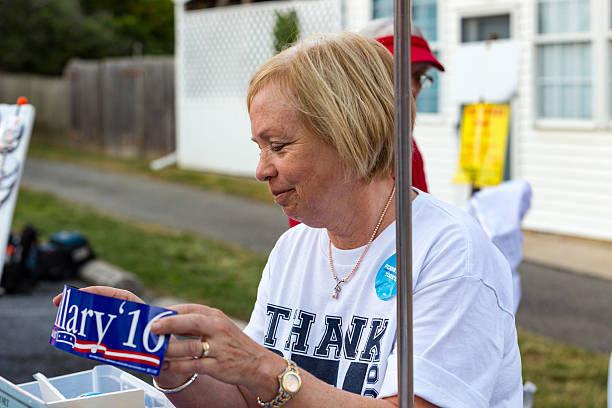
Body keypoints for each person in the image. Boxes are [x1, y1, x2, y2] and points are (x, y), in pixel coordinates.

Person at [54, 32, 522, 407]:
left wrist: (262, 367)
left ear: (351, 135)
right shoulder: (297, 247)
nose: (262, 169)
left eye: (278, 146)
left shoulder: (450, 252)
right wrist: (169, 360)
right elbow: (248, 398)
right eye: (259, 148)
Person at [287, 22, 444, 228]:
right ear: (362, 78)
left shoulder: (406, 146)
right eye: (397, 72)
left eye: (418, 75)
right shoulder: (326, 147)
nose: (412, 87)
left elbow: (424, 218)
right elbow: (310, 240)